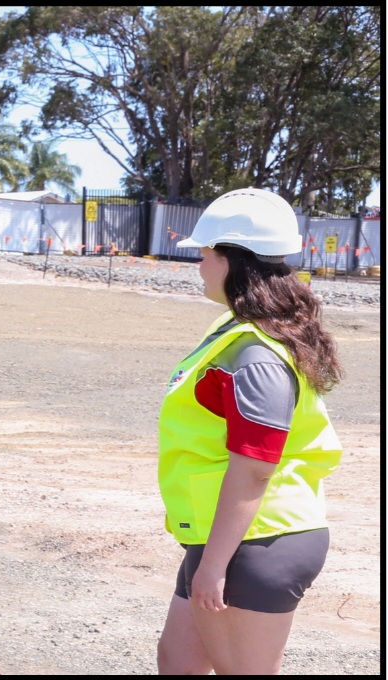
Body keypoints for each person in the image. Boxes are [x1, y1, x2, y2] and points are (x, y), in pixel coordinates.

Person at [154, 188, 343, 675]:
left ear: (232, 260)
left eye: (205, 254)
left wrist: (214, 565)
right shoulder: (239, 328)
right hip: (229, 534)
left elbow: (255, 466)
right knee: (178, 662)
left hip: (258, 538)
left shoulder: (256, 353)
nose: (199, 265)